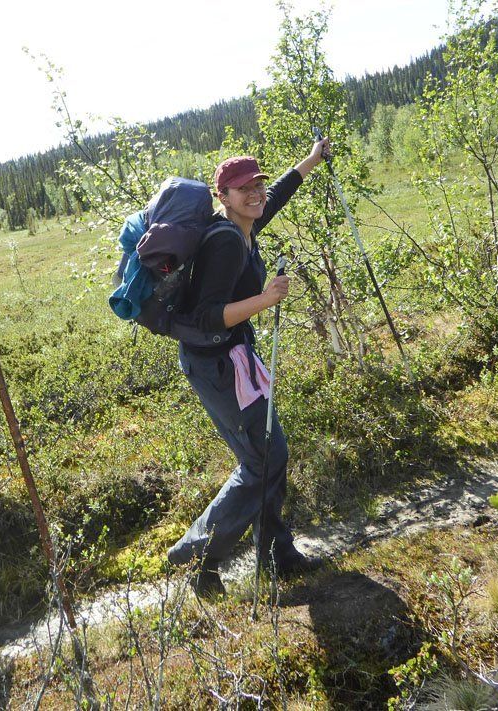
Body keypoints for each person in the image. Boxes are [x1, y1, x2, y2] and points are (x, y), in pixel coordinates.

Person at [167, 139, 330, 595]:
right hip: (216, 366)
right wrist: (265, 299)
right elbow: (205, 316)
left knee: (270, 452)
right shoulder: (223, 243)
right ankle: (197, 553)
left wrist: (312, 159)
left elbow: (275, 195)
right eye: (244, 190)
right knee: (263, 458)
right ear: (223, 196)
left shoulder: (243, 224)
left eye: (256, 184)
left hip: (233, 358)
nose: (256, 194)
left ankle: (275, 554)